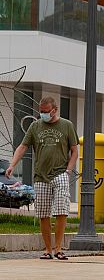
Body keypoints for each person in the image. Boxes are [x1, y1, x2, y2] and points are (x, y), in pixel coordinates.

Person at [5, 97, 78, 261]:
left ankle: (58, 248)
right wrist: (12, 165)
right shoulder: (35, 126)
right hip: (40, 176)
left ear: (55, 110)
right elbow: (23, 146)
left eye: (46, 111)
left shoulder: (67, 125)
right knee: (43, 214)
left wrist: (68, 170)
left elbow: (74, 151)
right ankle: (47, 249)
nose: (43, 114)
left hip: (60, 174)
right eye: (41, 111)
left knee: (61, 211)